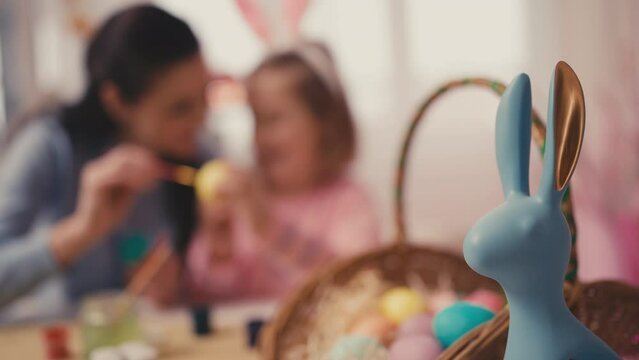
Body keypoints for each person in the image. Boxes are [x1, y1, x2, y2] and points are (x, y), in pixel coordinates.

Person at [0, 5, 210, 320]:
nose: (199, 119)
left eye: (205, 97)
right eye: (179, 108)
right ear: (117, 102)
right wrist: (81, 231)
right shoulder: (49, 145)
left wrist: (177, 284)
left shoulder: (196, 159)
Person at [187, 42, 380, 302]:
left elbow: (354, 282)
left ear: (325, 126)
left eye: (274, 119)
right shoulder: (241, 203)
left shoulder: (349, 202)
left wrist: (270, 228)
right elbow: (208, 298)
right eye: (255, 120)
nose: (261, 137)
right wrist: (220, 249)